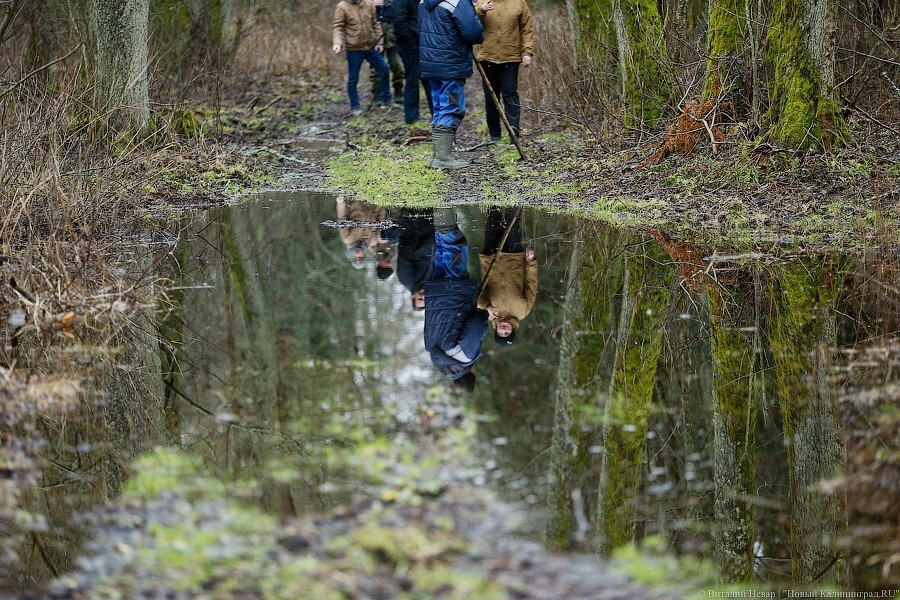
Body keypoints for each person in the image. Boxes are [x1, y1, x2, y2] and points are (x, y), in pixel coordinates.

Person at [419, 0, 489, 169]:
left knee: (439, 107)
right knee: (451, 107)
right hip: (451, 62)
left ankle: (437, 156)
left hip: (431, 62)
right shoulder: (457, 1)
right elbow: (473, 33)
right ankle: (442, 158)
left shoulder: (423, 1)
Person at [424, 207, 488, 391]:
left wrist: (485, 315)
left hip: (455, 293)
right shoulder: (435, 355)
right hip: (435, 293)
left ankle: (442, 203)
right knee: (442, 250)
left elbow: (477, 325)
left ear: (471, 374)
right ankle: (437, 208)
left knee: (455, 246)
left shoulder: (465, 358)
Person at [476, 207, 537, 346]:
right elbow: (531, 283)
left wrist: (487, 306)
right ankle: (514, 197)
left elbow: (476, 297)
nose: (504, 330)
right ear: (512, 330)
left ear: (496, 330)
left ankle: (492, 196)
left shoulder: (488, 315)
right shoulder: (522, 312)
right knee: (512, 223)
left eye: (501, 333)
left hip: (491, 260)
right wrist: (530, 261)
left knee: (492, 219)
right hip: (513, 258)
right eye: (507, 333)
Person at [475, 0, 534, 142]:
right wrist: (481, 10)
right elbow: (469, 22)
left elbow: (526, 28)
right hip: (487, 56)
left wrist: (527, 52)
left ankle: (514, 130)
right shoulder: (480, 1)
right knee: (491, 96)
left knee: (510, 93)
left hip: (511, 56)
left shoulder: (519, 2)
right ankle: (495, 134)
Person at [332, 0, 392, 113]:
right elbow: (338, 27)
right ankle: (355, 107)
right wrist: (337, 43)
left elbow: (376, 22)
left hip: (370, 46)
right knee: (353, 78)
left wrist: (379, 42)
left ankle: (387, 100)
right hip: (354, 49)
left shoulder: (368, 3)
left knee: (384, 69)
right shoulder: (342, 6)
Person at [392, 0, 434, 124]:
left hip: (422, 43)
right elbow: (399, 23)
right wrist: (412, 42)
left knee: (428, 79)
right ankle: (411, 117)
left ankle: (436, 115)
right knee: (412, 80)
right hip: (410, 46)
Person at [336, 196, 392, 275]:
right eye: (360, 257)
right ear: (364, 255)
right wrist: (382, 203)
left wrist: (341, 203)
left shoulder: (347, 239)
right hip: (373, 200)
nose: (357, 255)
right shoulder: (373, 241)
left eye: (355, 257)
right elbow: (380, 219)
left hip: (357, 198)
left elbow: (342, 218)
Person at [392, 209, 435, 310]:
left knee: (412, 205)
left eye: (420, 299)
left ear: (413, 297)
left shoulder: (406, 279)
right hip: (431, 232)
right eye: (425, 299)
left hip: (415, 229)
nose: (423, 296)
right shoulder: (432, 283)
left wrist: (420, 235)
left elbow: (405, 253)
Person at [369, 0, 405, 105]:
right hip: (375, 39)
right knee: (375, 69)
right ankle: (377, 93)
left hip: (393, 38)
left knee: (398, 66)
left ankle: (398, 91)